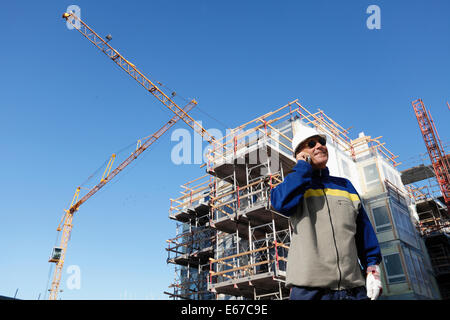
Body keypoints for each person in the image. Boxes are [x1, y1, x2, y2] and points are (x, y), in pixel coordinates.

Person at [270, 126, 383, 300]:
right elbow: (281, 203)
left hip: (353, 289)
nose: (319, 146)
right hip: (309, 291)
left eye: (321, 142)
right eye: (311, 144)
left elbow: (363, 231)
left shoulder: (345, 186)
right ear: (300, 154)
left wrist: (372, 268)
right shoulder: (295, 186)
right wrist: (301, 167)